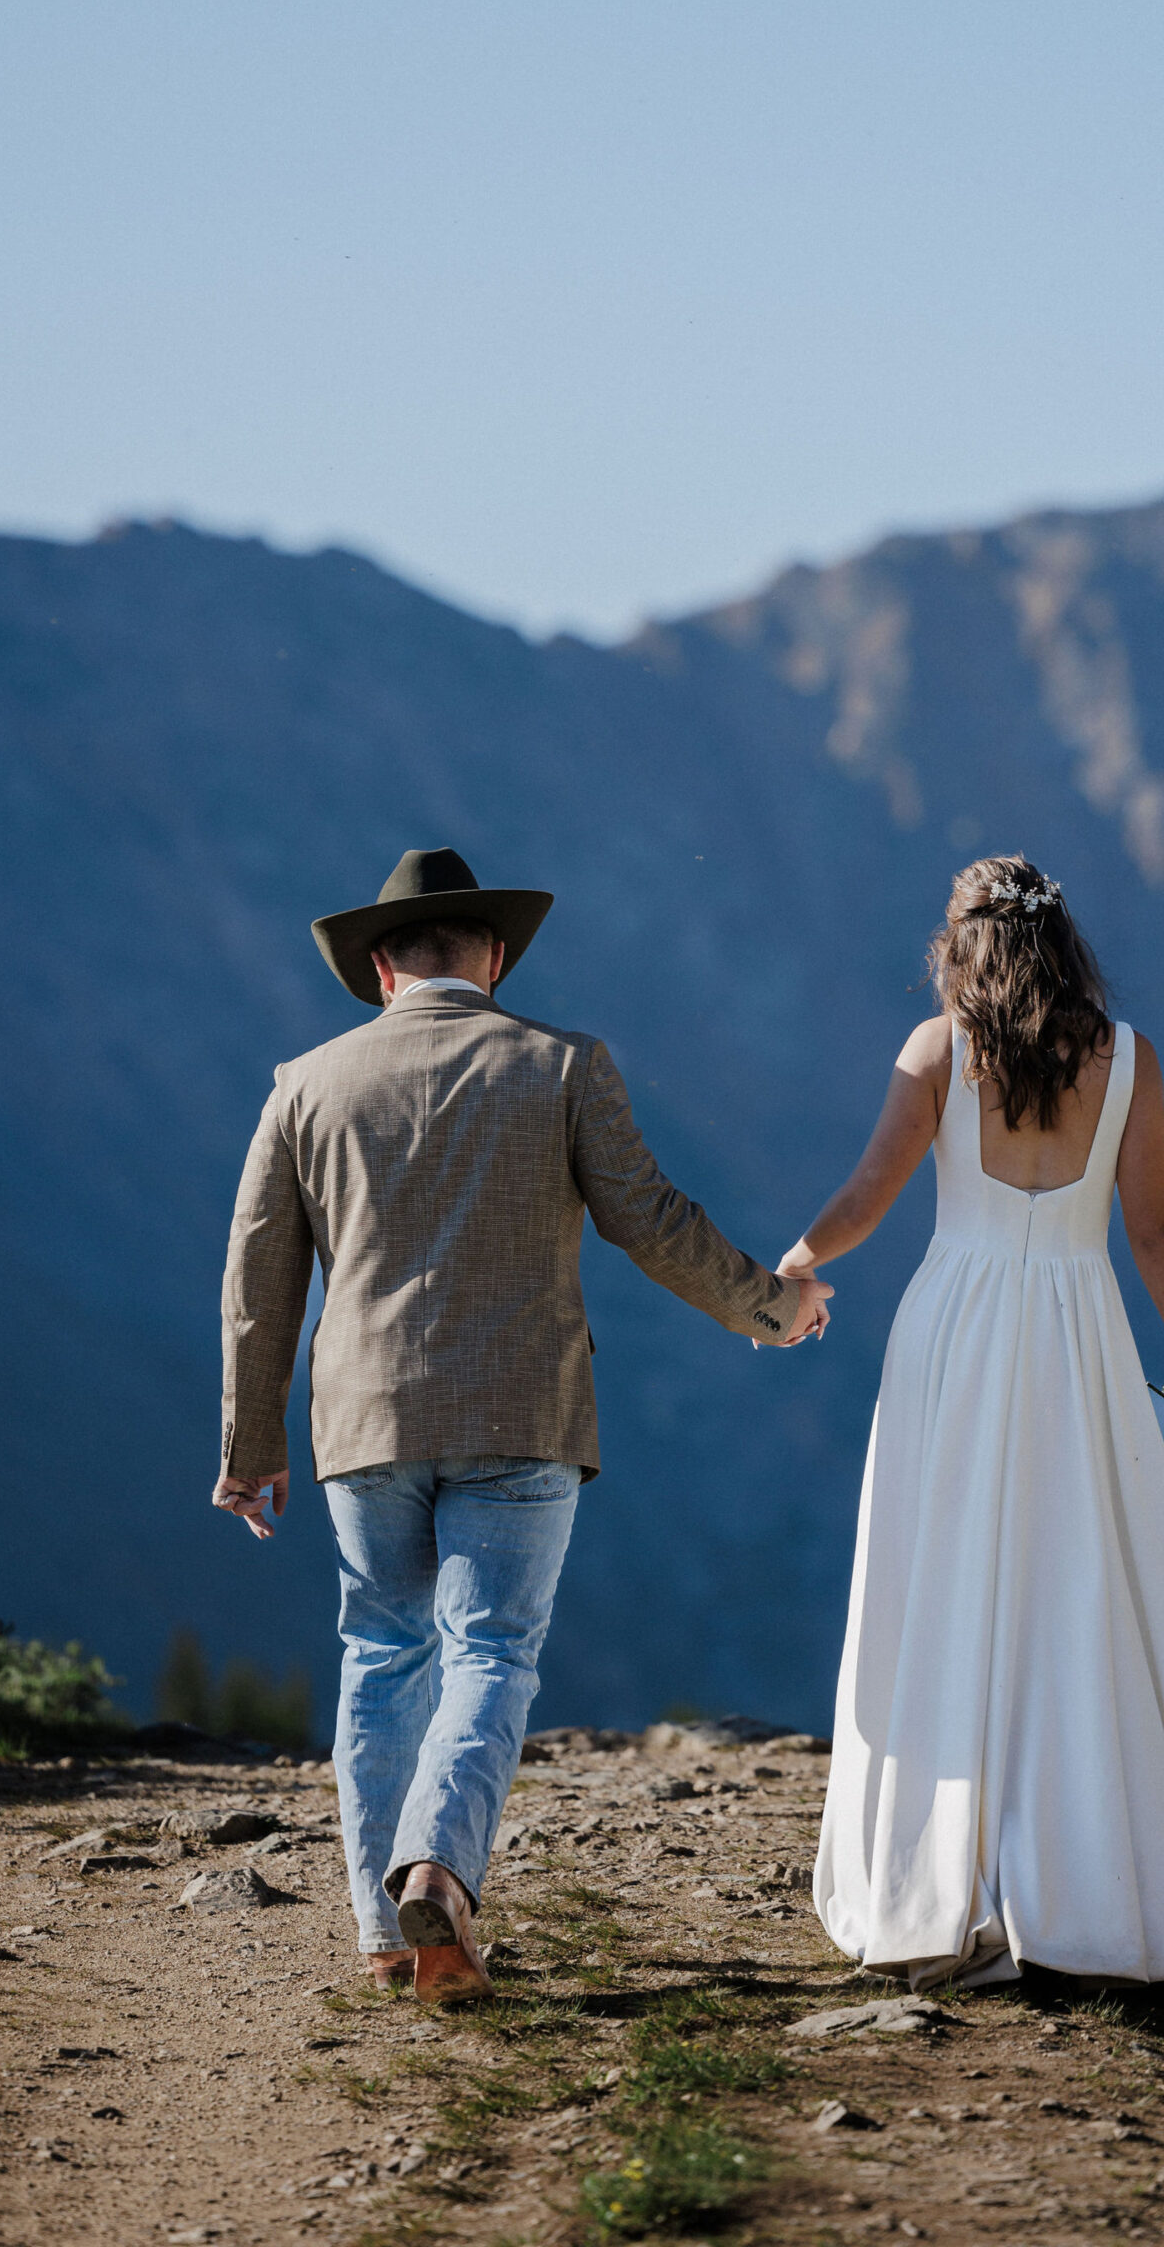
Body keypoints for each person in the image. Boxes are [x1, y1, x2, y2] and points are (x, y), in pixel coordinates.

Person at [212, 847, 832, 1998]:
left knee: (381, 1653)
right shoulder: (562, 1065)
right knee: (488, 1651)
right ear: (493, 959)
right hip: (523, 1412)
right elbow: (649, 1222)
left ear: (383, 968)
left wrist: (250, 1450)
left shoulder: (305, 1083)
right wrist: (773, 1305)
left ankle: (384, 1934)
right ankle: (440, 1874)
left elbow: (260, 1288)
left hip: (363, 1420)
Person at [788, 855, 1164, 1991]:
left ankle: (941, 1882)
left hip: (955, 1337)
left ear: (961, 942)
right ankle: (1092, 1890)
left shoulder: (936, 1050)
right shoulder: (1129, 1061)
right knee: (1083, 1592)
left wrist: (798, 1264)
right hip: (1078, 1335)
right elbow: (1158, 1236)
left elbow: (871, 1190)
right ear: (1063, 939)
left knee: (947, 1584)